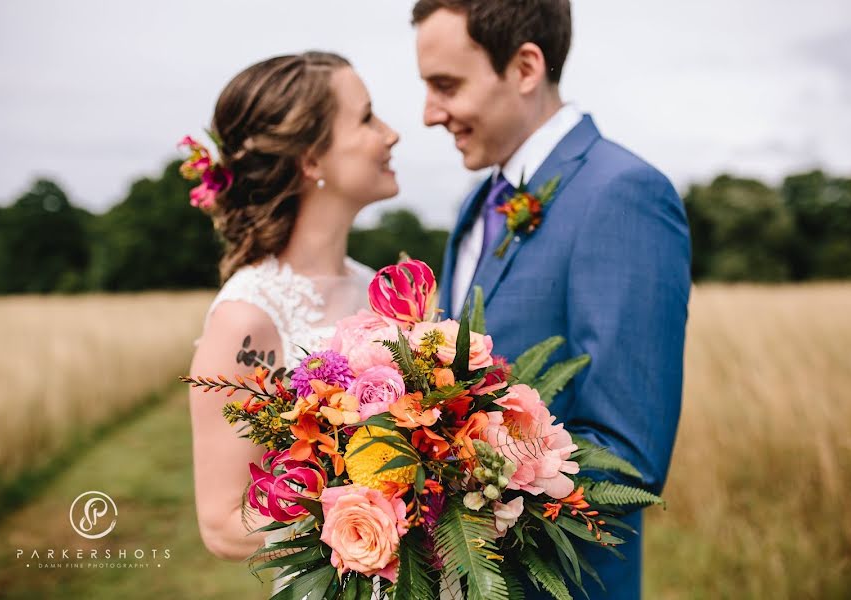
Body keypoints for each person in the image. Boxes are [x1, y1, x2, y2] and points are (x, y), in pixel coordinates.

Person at [412, 1, 691, 598]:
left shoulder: (622, 194)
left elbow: (629, 458)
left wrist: (434, 483)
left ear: (526, 67)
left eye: (446, 85)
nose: (430, 113)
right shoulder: (476, 202)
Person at [187, 51, 399, 564]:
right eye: (367, 117)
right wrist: (380, 513)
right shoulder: (248, 317)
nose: (390, 133)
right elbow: (221, 524)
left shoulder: (378, 288)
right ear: (310, 160)